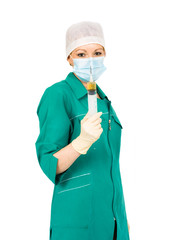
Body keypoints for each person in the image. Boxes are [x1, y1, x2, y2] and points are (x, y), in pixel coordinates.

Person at [35, 21, 130, 240]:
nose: (90, 60)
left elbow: (109, 169)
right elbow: (49, 162)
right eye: (81, 54)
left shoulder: (104, 100)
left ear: (105, 54)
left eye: (97, 52)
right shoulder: (58, 94)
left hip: (114, 222)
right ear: (69, 58)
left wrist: (122, 222)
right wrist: (80, 143)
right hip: (77, 223)